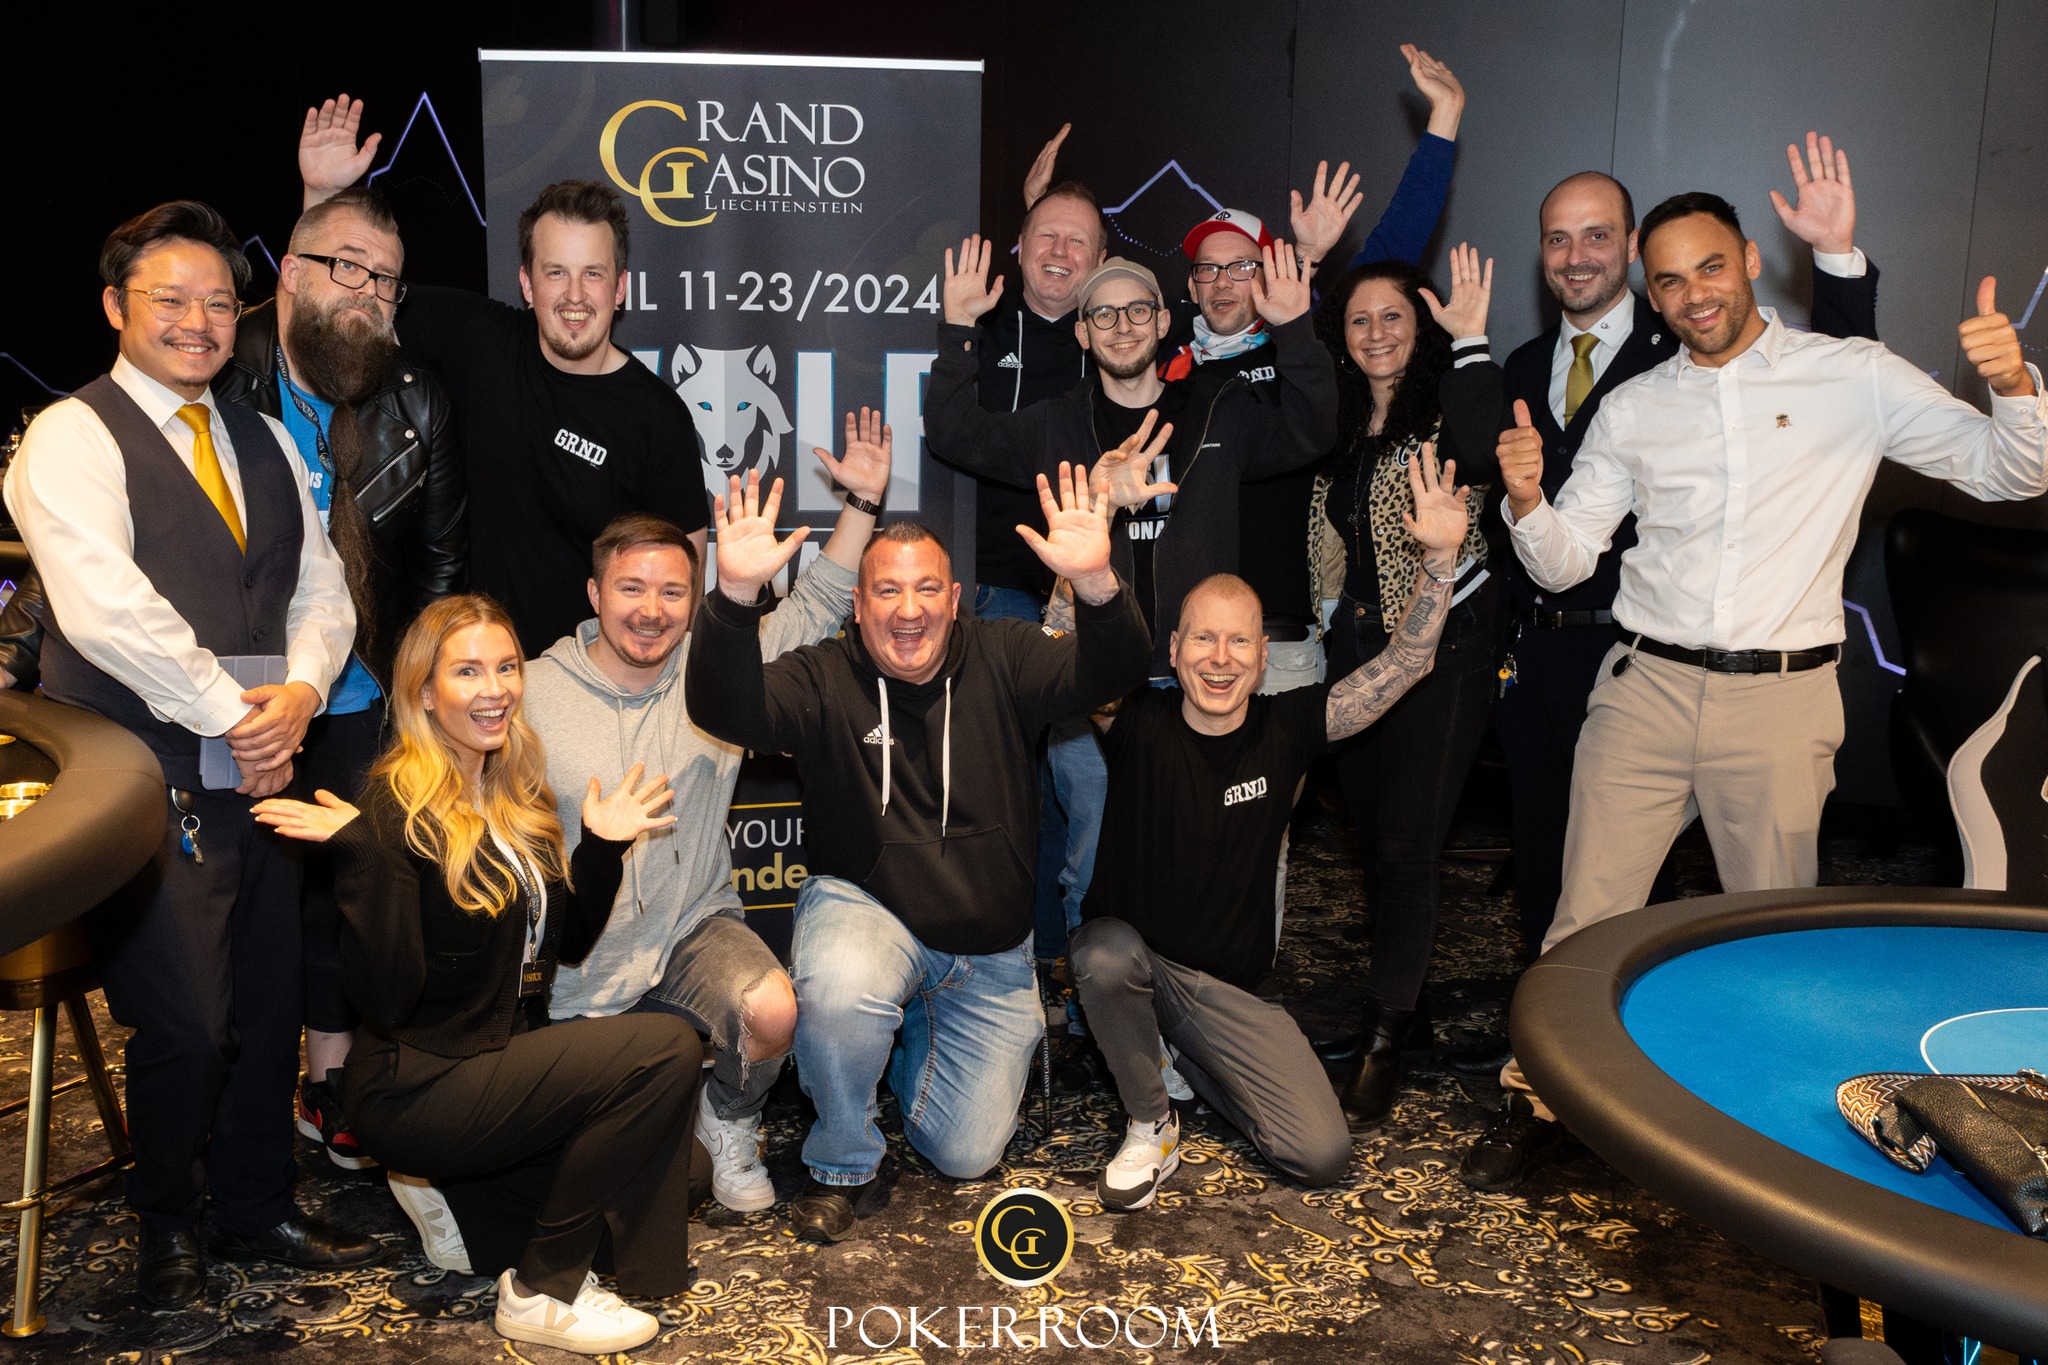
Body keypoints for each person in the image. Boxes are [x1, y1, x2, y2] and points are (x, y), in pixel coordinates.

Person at [1480, 190, 2047, 1190]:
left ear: (1748, 260)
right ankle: (1542, 1107)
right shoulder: (1633, 406)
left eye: (1709, 267)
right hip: (1643, 691)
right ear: (1650, 295)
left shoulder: (1852, 375)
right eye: (1667, 280)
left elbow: (2010, 473)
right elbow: (1567, 561)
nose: (1692, 294)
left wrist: (2011, 385)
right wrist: (1526, 500)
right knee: (1582, 923)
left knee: (1766, 938)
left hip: (1780, 704)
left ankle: (1759, 1142)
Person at [2, 201, 375, 1306]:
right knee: (186, 1020)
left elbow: (320, 584)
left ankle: (257, 1206)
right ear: (116, 307)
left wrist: (301, 691)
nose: (199, 321)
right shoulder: (71, 434)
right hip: (143, 766)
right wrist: (236, 712)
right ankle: (166, 1219)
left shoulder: (262, 436)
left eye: (219, 301)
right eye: (171, 298)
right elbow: (105, 607)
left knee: (266, 1001)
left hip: (264, 753)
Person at [685, 464, 1151, 1243]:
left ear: (955, 598)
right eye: (888, 591)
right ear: (858, 604)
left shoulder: (1007, 654)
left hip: (990, 952)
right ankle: (843, 1161)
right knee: (841, 991)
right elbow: (724, 705)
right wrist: (733, 596)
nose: (909, 610)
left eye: (927, 588)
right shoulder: (825, 674)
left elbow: (1116, 669)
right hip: (869, 914)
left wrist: (1097, 582)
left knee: (966, 1153)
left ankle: (896, 1054)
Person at [253, 595, 699, 1357]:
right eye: (467, 671)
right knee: (666, 1047)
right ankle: (541, 1291)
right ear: (425, 692)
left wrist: (599, 847)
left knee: (681, 1172)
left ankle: (458, 1203)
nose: (495, 688)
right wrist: (366, 857)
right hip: (418, 1079)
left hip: (496, 1061)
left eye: (506, 667)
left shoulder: (514, 791)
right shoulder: (393, 805)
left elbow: (566, 947)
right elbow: (386, 998)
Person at [1488, 136, 1879, 976]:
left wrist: (1837, 261)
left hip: (1650, 655)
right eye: (1558, 238)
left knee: (1694, 913)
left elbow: (1835, 382)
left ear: (1634, 249)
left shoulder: (1695, 339)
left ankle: (1662, 1039)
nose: (1576, 255)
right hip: (1546, 655)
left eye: (1598, 235)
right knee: (1558, 882)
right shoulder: (1521, 363)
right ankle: (1559, 1030)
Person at [1072, 447, 1467, 1209]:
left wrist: (1441, 560)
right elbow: (1066, 660)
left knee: (1319, 1153)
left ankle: (1191, 1055)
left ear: (1262, 657)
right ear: (1174, 649)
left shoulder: (1289, 726)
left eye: (1239, 642)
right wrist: (1093, 539)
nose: (1219, 659)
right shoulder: (1135, 717)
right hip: (1138, 963)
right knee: (1102, 952)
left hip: (1233, 992)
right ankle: (1152, 1119)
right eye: (1203, 639)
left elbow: (1406, 663)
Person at [523, 410, 893, 1213]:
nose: (651, 609)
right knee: (587, 1186)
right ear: (594, 593)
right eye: (631, 588)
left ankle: (727, 1115)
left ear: (695, 599)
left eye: (672, 591)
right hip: (580, 960)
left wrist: (863, 503)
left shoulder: (717, 668)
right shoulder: (529, 693)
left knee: (773, 1009)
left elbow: (818, 602)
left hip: (694, 927)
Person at [298, 95, 709, 657]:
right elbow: (345, 301)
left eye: (593, 274)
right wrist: (323, 197)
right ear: (526, 284)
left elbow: (685, 585)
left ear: (619, 289)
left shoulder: (657, 418)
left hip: (592, 686)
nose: (574, 295)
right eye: (555, 272)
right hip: (475, 676)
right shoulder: (479, 340)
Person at [1307, 245, 1505, 1129]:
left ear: (1420, 329)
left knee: (1408, 845)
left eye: (1393, 316)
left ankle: (1384, 1038)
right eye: (1360, 319)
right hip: (1354, 652)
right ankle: (1407, 1004)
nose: (1376, 332)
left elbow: (1488, 449)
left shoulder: (1448, 414)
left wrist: (1473, 344)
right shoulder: (1342, 423)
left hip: (1444, 650)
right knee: (1371, 841)